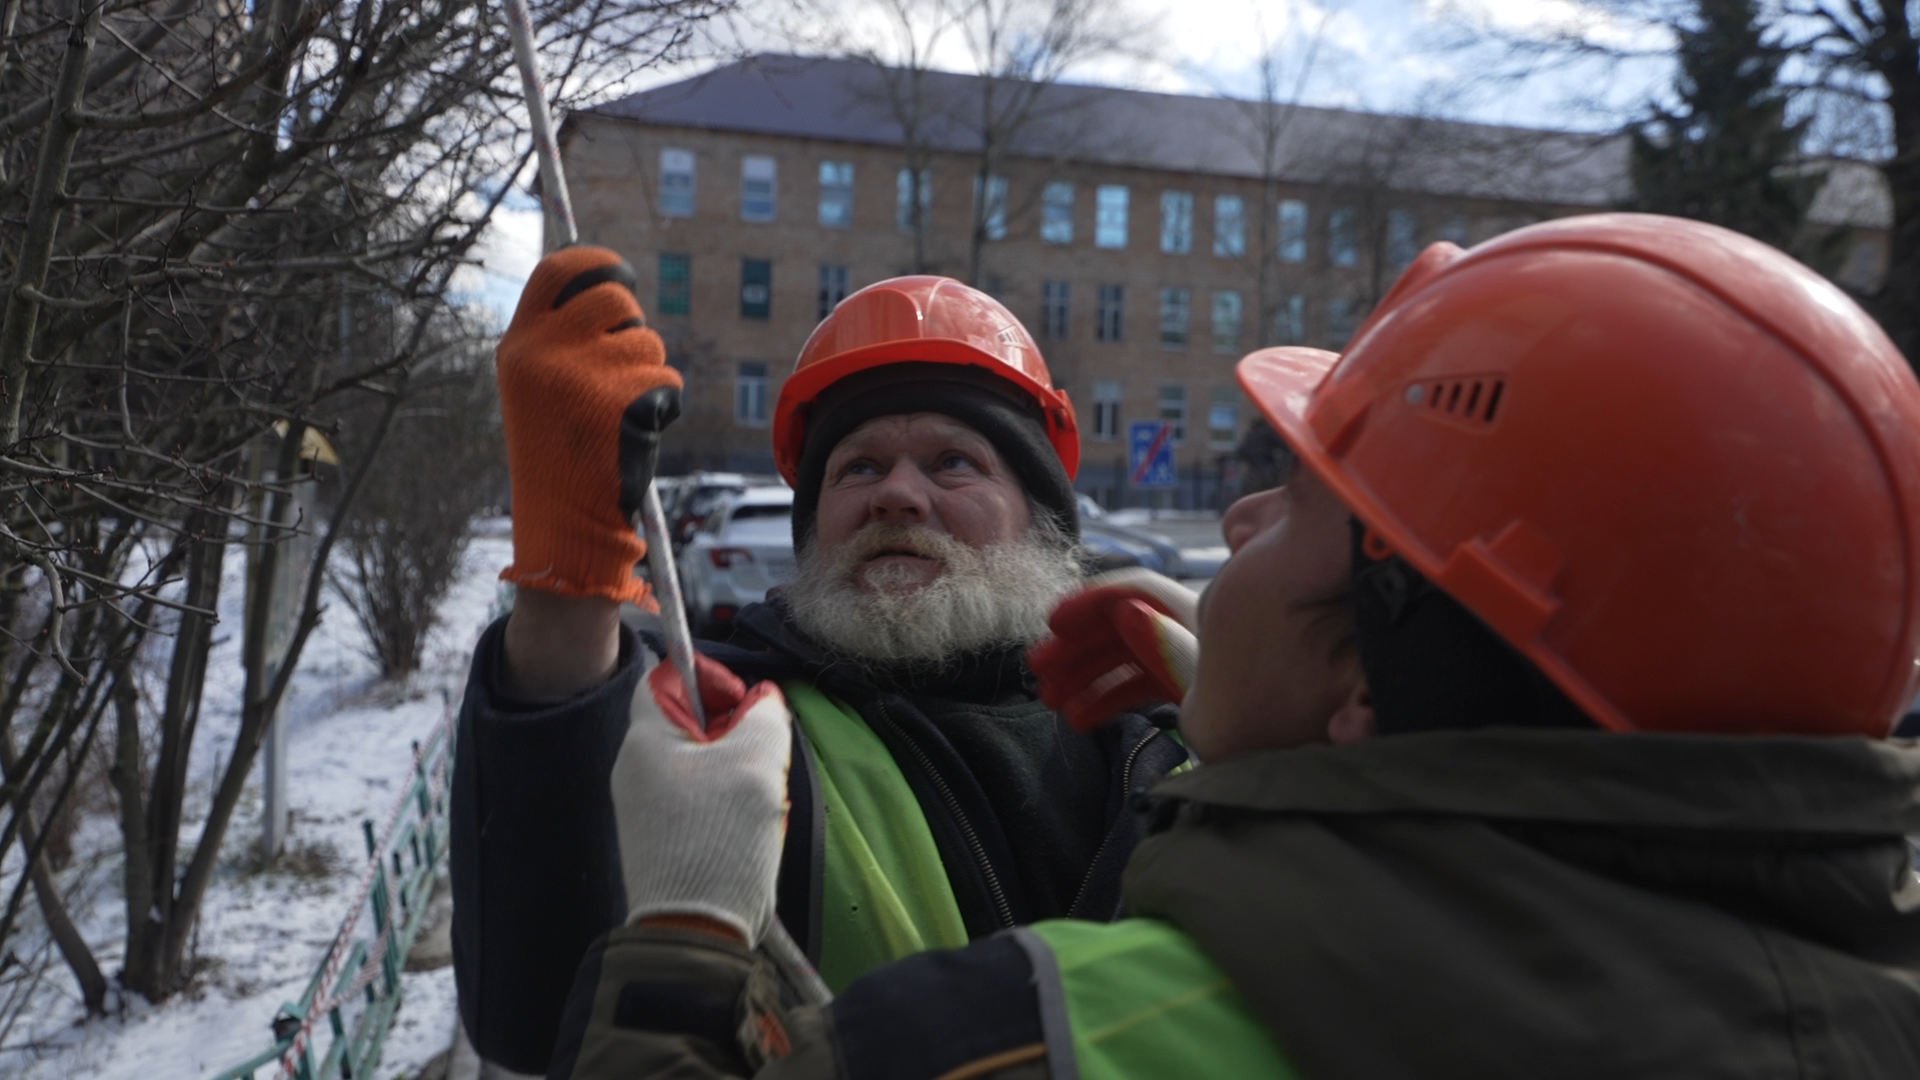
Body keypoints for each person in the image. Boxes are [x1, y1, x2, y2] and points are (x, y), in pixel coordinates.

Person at [548, 214, 1920, 1079]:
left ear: (1372, 686)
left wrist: (680, 937)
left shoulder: (1028, 1035)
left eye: (1313, 510)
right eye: (857, 470)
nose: (1242, 512)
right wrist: (1268, 758)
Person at [450, 252, 1189, 1073]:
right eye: (859, 467)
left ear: (1040, 516)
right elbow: (537, 1015)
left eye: (953, 461)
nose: (897, 495)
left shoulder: (1172, 728)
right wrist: (567, 594)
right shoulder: (732, 727)